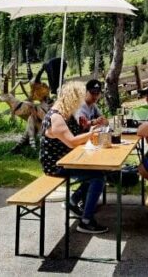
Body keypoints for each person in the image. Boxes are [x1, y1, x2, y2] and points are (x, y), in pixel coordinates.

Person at [40, 80, 108, 234]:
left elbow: (75, 134)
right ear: (73, 99)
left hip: (68, 160)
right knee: (98, 177)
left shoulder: (64, 113)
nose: (80, 104)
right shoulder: (56, 117)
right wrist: (91, 134)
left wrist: (85, 126)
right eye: (79, 100)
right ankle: (86, 221)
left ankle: (73, 201)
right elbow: (71, 142)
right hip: (56, 165)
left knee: (100, 171)